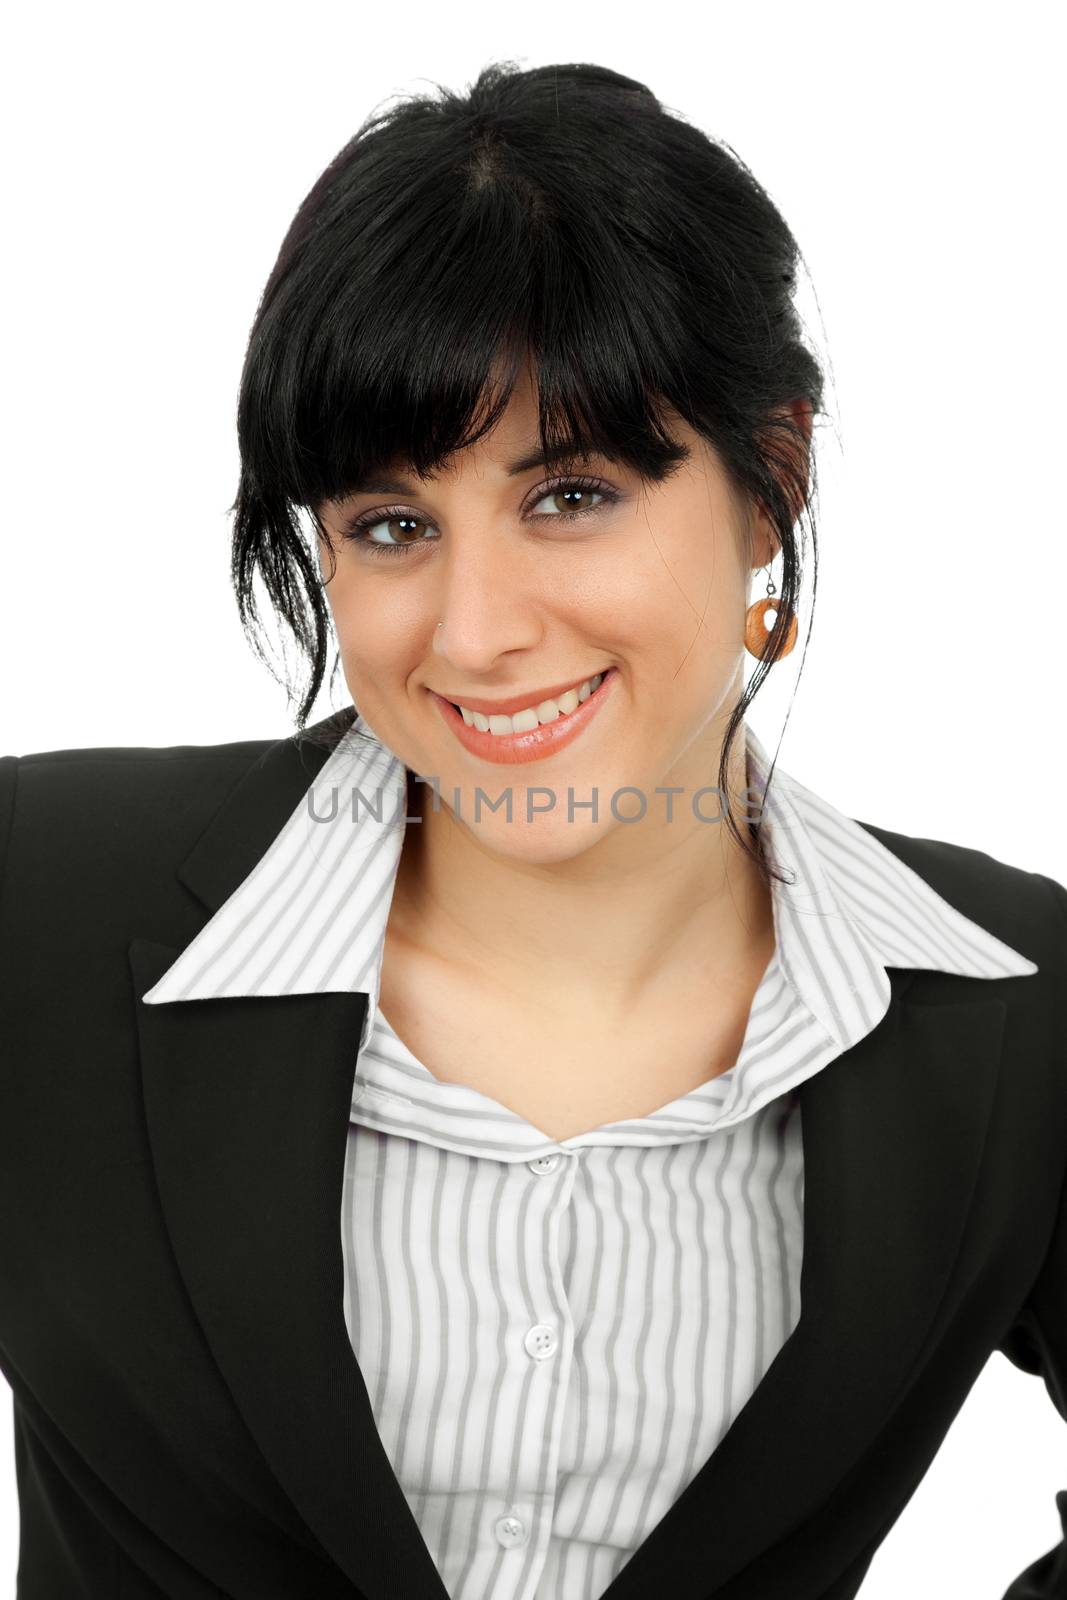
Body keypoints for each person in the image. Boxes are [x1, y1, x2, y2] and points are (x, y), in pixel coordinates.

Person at [0, 58, 1064, 1600]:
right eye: (391, 526)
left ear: (774, 477)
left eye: (569, 495)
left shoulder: (1015, 1009)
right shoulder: (40, 905)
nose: (478, 630)